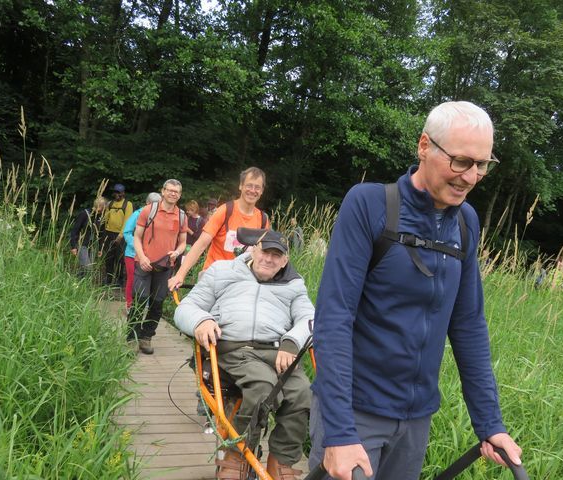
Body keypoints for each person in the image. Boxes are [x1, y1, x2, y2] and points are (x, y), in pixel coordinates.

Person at [309, 101, 522, 480]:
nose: (470, 176)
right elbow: (334, 317)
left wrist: (490, 423)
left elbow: (468, 324)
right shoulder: (370, 205)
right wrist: (339, 433)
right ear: (425, 145)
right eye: (460, 161)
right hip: (354, 412)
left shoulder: (466, 224)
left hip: (415, 420)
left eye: (482, 164)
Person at [174, 229, 314, 480]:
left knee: (302, 392)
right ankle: (237, 453)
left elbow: (309, 318)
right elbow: (186, 307)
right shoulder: (222, 271)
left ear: (285, 261)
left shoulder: (294, 284)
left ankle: (281, 460)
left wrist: (292, 341)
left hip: (277, 351)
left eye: (276, 255)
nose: (269, 259)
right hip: (234, 349)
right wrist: (201, 321)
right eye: (265, 251)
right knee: (263, 385)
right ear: (253, 250)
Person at [168, 167, 269, 290]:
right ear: (241, 186)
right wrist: (180, 275)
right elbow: (201, 244)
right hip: (214, 276)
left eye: (257, 187)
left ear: (262, 190)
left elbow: (264, 255)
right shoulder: (225, 211)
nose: (253, 190)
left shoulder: (263, 220)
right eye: (249, 185)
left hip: (242, 282)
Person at [127, 179, 187, 354]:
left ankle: (146, 337)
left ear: (180, 195)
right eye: (170, 190)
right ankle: (132, 338)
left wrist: (177, 252)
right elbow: (137, 237)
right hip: (144, 264)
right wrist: (142, 257)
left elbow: (183, 243)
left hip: (165, 266)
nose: (173, 194)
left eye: (176, 192)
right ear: (163, 191)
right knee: (140, 298)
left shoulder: (182, 216)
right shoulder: (149, 210)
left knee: (157, 302)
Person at [123, 192, 162, 310]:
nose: (156, 207)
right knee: (132, 279)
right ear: (147, 203)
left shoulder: (160, 216)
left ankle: (146, 304)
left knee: (149, 280)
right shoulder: (137, 214)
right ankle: (129, 305)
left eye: (159, 204)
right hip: (132, 254)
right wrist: (138, 247)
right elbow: (127, 232)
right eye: (153, 204)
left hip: (151, 256)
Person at [103, 183, 134, 286]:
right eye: (115, 192)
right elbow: (106, 219)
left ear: (123, 193)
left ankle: (120, 279)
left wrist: (121, 235)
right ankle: (108, 278)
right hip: (109, 233)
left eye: (119, 192)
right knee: (109, 257)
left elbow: (127, 221)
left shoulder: (127, 204)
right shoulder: (110, 204)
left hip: (121, 235)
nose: (117, 194)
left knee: (119, 258)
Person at [69, 196, 107, 278]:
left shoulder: (101, 216)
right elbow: (75, 230)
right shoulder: (85, 214)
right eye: (99, 207)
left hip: (93, 245)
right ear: (96, 206)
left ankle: (79, 284)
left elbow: (101, 233)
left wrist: (100, 248)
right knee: (88, 267)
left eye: (102, 208)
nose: (99, 210)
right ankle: (78, 281)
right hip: (82, 243)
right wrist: (73, 246)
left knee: (88, 268)